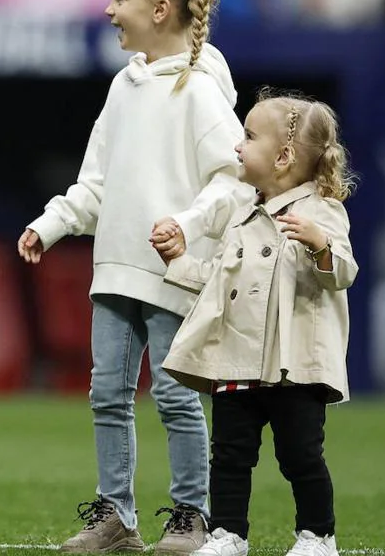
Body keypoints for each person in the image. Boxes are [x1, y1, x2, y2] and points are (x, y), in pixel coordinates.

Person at [17, 0, 252, 555]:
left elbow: (234, 181)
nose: (109, 9)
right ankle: (116, 518)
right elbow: (96, 180)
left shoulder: (200, 92)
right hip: (114, 270)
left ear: (161, 10)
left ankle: (191, 517)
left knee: (177, 397)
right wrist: (53, 222)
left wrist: (189, 222)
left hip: (173, 274)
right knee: (107, 395)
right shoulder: (125, 86)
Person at [153, 91, 358, 556]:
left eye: (248, 136)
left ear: (283, 156)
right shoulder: (243, 214)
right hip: (237, 357)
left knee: (300, 454)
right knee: (229, 455)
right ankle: (228, 534)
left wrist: (320, 244)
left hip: (293, 364)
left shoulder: (321, 211)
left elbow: (343, 271)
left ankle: (316, 536)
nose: (237, 146)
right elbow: (218, 281)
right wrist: (181, 260)